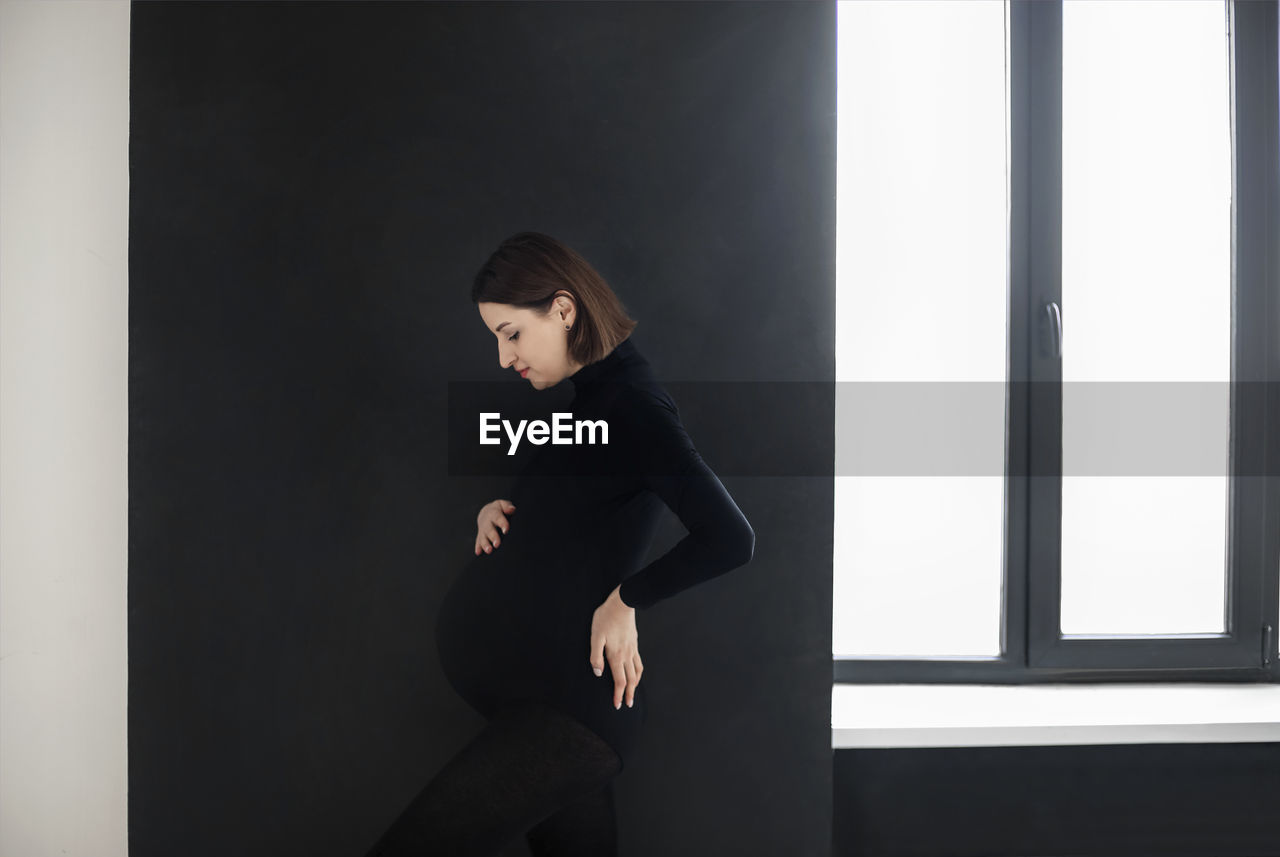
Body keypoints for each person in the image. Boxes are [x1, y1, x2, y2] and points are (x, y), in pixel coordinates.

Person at [362, 232, 755, 856]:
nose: (502, 357)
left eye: (511, 333)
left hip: (569, 713)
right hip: (540, 707)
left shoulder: (634, 406)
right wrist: (502, 511)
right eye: (496, 338)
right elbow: (585, 510)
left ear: (564, 310)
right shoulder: (592, 399)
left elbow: (730, 538)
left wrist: (627, 600)